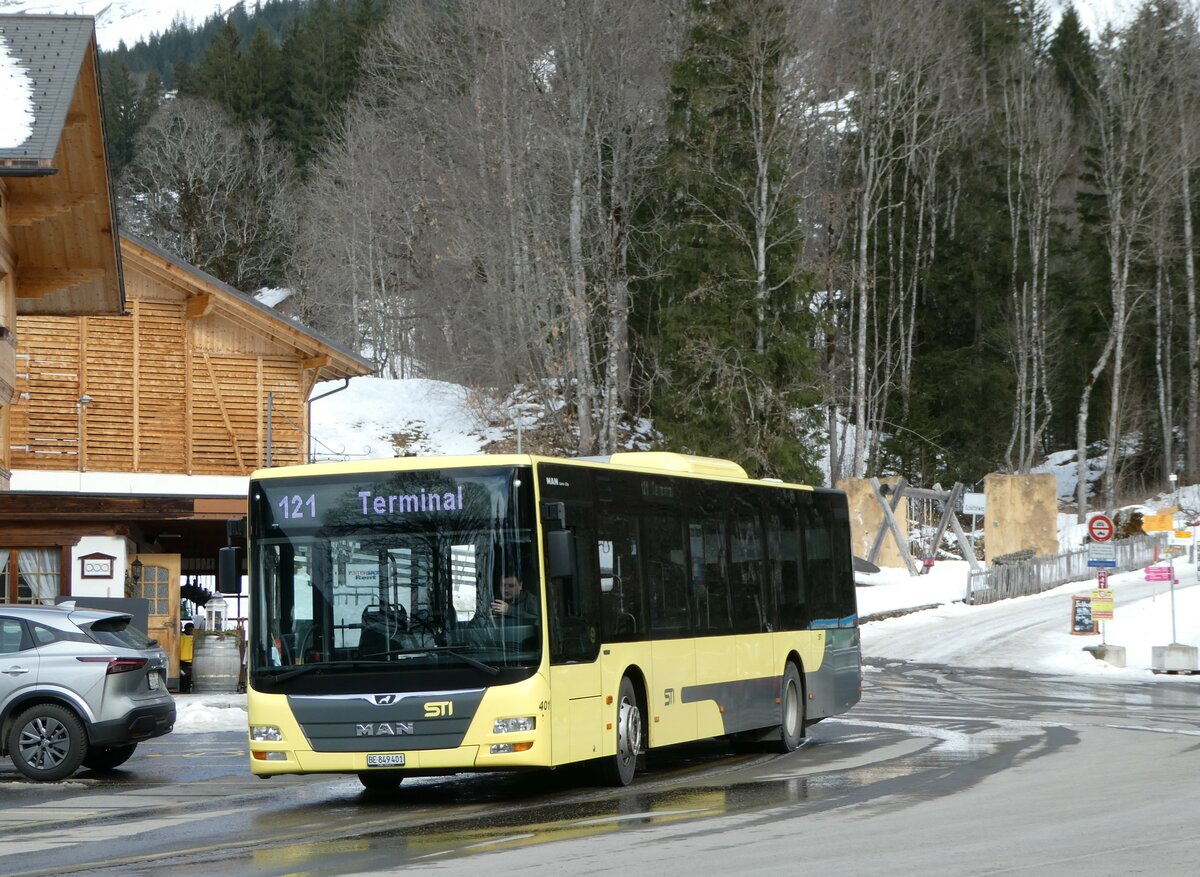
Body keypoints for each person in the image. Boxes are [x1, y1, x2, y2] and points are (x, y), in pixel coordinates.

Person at [179, 622, 195, 693]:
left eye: (192, 630)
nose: (191, 632)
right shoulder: (183, 638)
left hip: (185, 659)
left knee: (186, 675)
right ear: (185, 630)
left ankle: (186, 688)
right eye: (190, 630)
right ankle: (185, 688)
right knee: (185, 675)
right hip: (185, 660)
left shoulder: (182, 637)